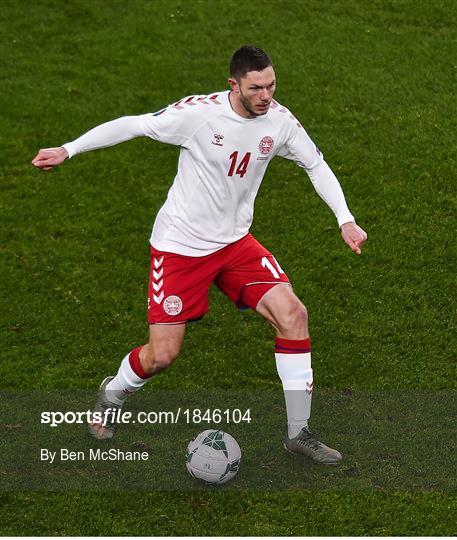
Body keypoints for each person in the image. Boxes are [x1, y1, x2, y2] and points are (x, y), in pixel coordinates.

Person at [32, 45, 367, 464]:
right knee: (162, 356)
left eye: (271, 85)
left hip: (235, 244)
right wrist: (70, 149)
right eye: (256, 88)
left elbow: (315, 164)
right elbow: (134, 125)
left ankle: (298, 433)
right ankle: (112, 392)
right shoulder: (198, 116)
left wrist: (345, 219)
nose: (266, 96)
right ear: (234, 84)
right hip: (180, 248)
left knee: (294, 314)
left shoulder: (280, 121)